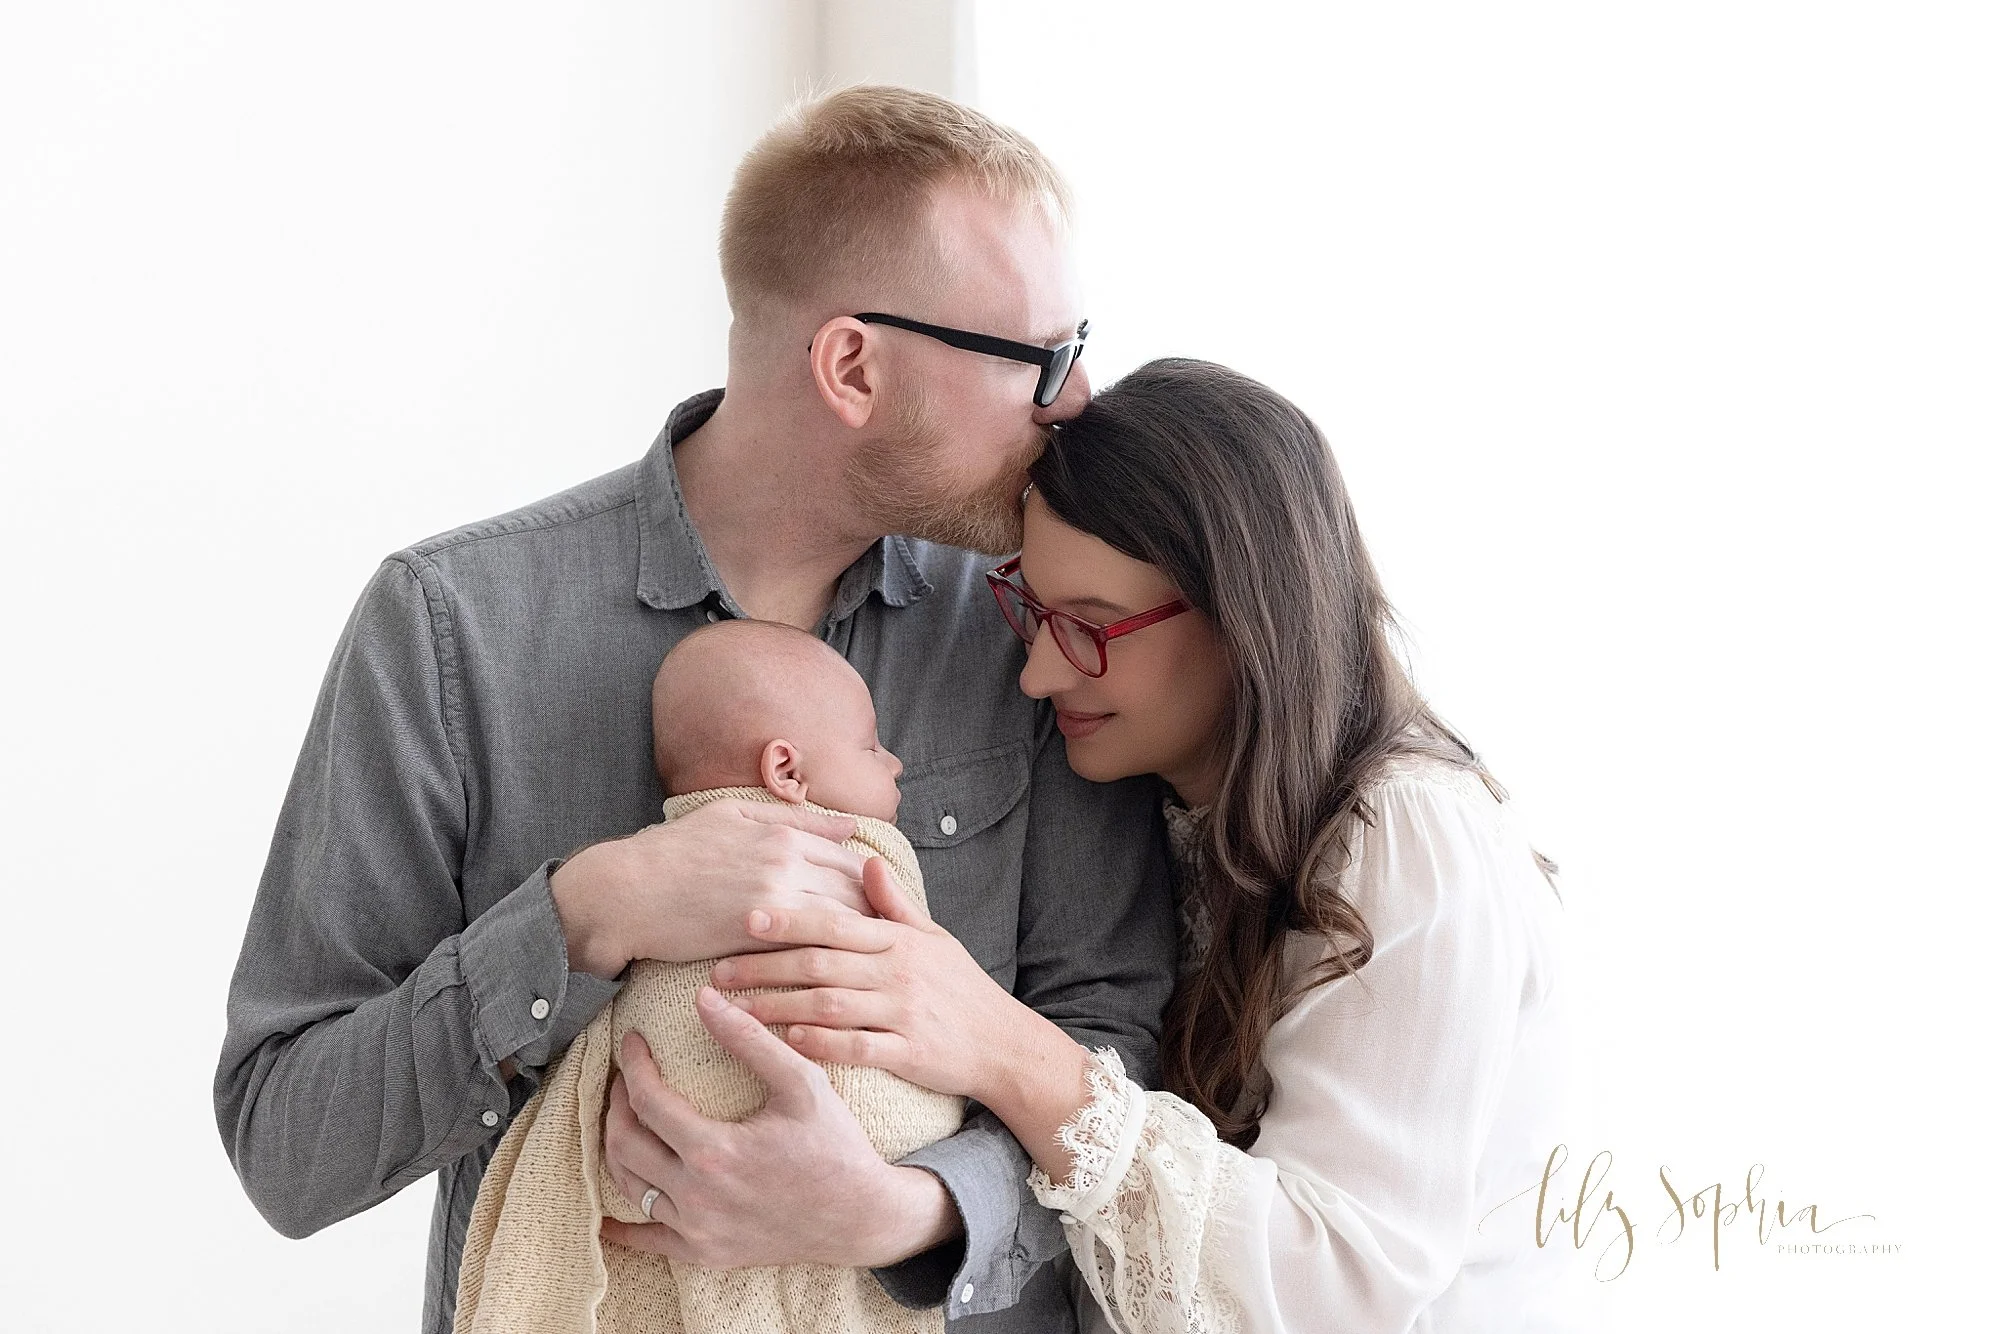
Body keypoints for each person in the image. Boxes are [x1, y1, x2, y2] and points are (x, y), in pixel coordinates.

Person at [213, 86, 1176, 1334]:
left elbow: (1123, 1050)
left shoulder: (1029, 632)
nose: (1077, 395)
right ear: (851, 365)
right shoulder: (451, 630)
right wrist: (582, 913)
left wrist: (908, 1210)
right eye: (1037, 356)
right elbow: (288, 1145)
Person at [706, 359, 1576, 1332]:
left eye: (1092, 627)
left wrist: (999, 1043)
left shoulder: (1408, 839)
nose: (1038, 673)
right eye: (1034, 610)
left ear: (1248, 618)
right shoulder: (1162, 808)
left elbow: (1334, 1288)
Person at [454, 618, 962, 1334]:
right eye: (872, 746)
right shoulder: (868, 853)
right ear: (787, 772)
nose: (897, 763)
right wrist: (595, 904)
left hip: (729, 1187)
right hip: (717, 1164)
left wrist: (899, 1209)